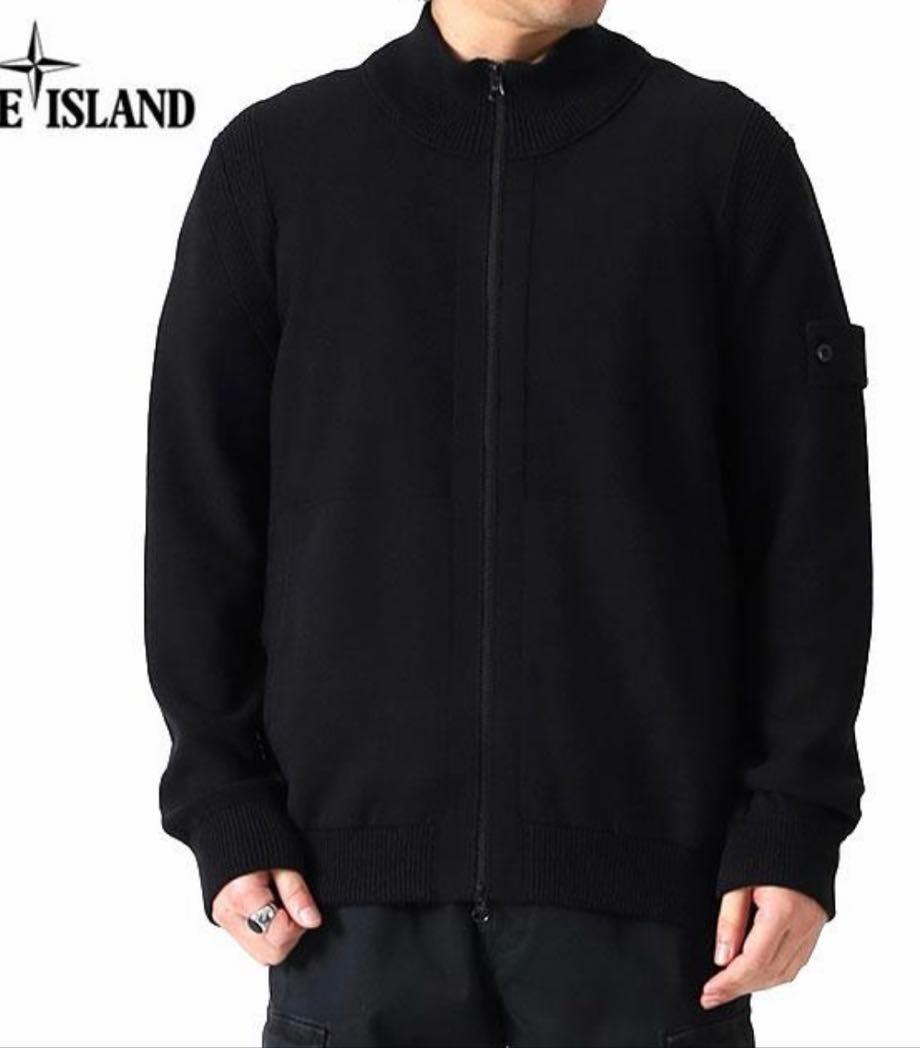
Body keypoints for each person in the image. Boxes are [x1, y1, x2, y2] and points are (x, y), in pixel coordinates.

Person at [144, 0, 871, 1043]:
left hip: (654, 910)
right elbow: (200, 513)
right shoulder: (276, 163)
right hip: (343, 908)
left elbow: (811, 524)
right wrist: (221, 801)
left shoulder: (725, 159)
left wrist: (796, 819)